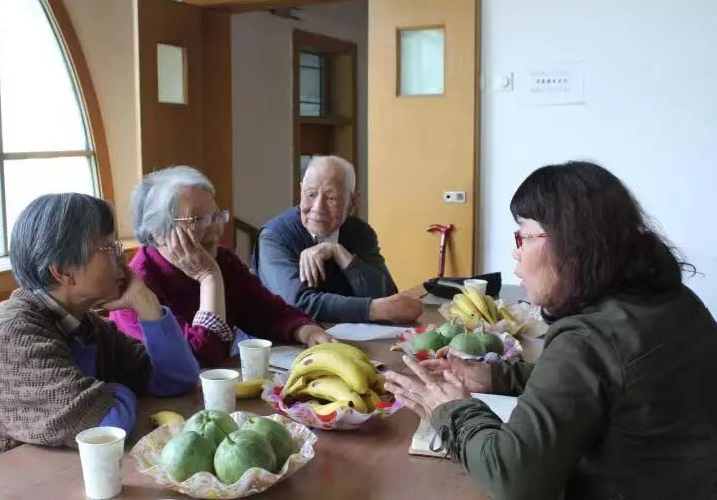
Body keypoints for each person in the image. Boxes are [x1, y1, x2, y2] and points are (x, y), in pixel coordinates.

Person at [384, 161, 717, 499]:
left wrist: (450, 409)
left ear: (572, 244)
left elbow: (514, 478)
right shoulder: (674, 300)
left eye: (524, 236)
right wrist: (495, 378)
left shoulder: (587, 339)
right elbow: (593, 384)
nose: (516, 252)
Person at [0, 194, 199, 478]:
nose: (122, 258)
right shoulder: (14, 337)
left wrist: (146, 304)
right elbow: (106, 427)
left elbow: (178, 379)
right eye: (109, 247)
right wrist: (114, 390)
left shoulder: (87, 325)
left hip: (47, 477)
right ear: (63, 272)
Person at [109, 166, 334, 367]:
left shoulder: (223, 260)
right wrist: (209, 277)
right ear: (157, 233)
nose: (215, 228)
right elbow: (199, 358)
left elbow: (264, 310)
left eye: (216, 216)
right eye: (197, 220)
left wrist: (304, 329)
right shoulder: (136, 289)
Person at [252, 155, 423, 324]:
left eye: (331, 198)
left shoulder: (359, 232)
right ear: (300, 191)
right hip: (274, 339)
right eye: (310, 194)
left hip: (342, 335)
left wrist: (339, 252)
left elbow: (386, 294)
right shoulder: (275, 237)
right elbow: (297, 304)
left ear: (352, 203)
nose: (318, 208)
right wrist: (372, 309)